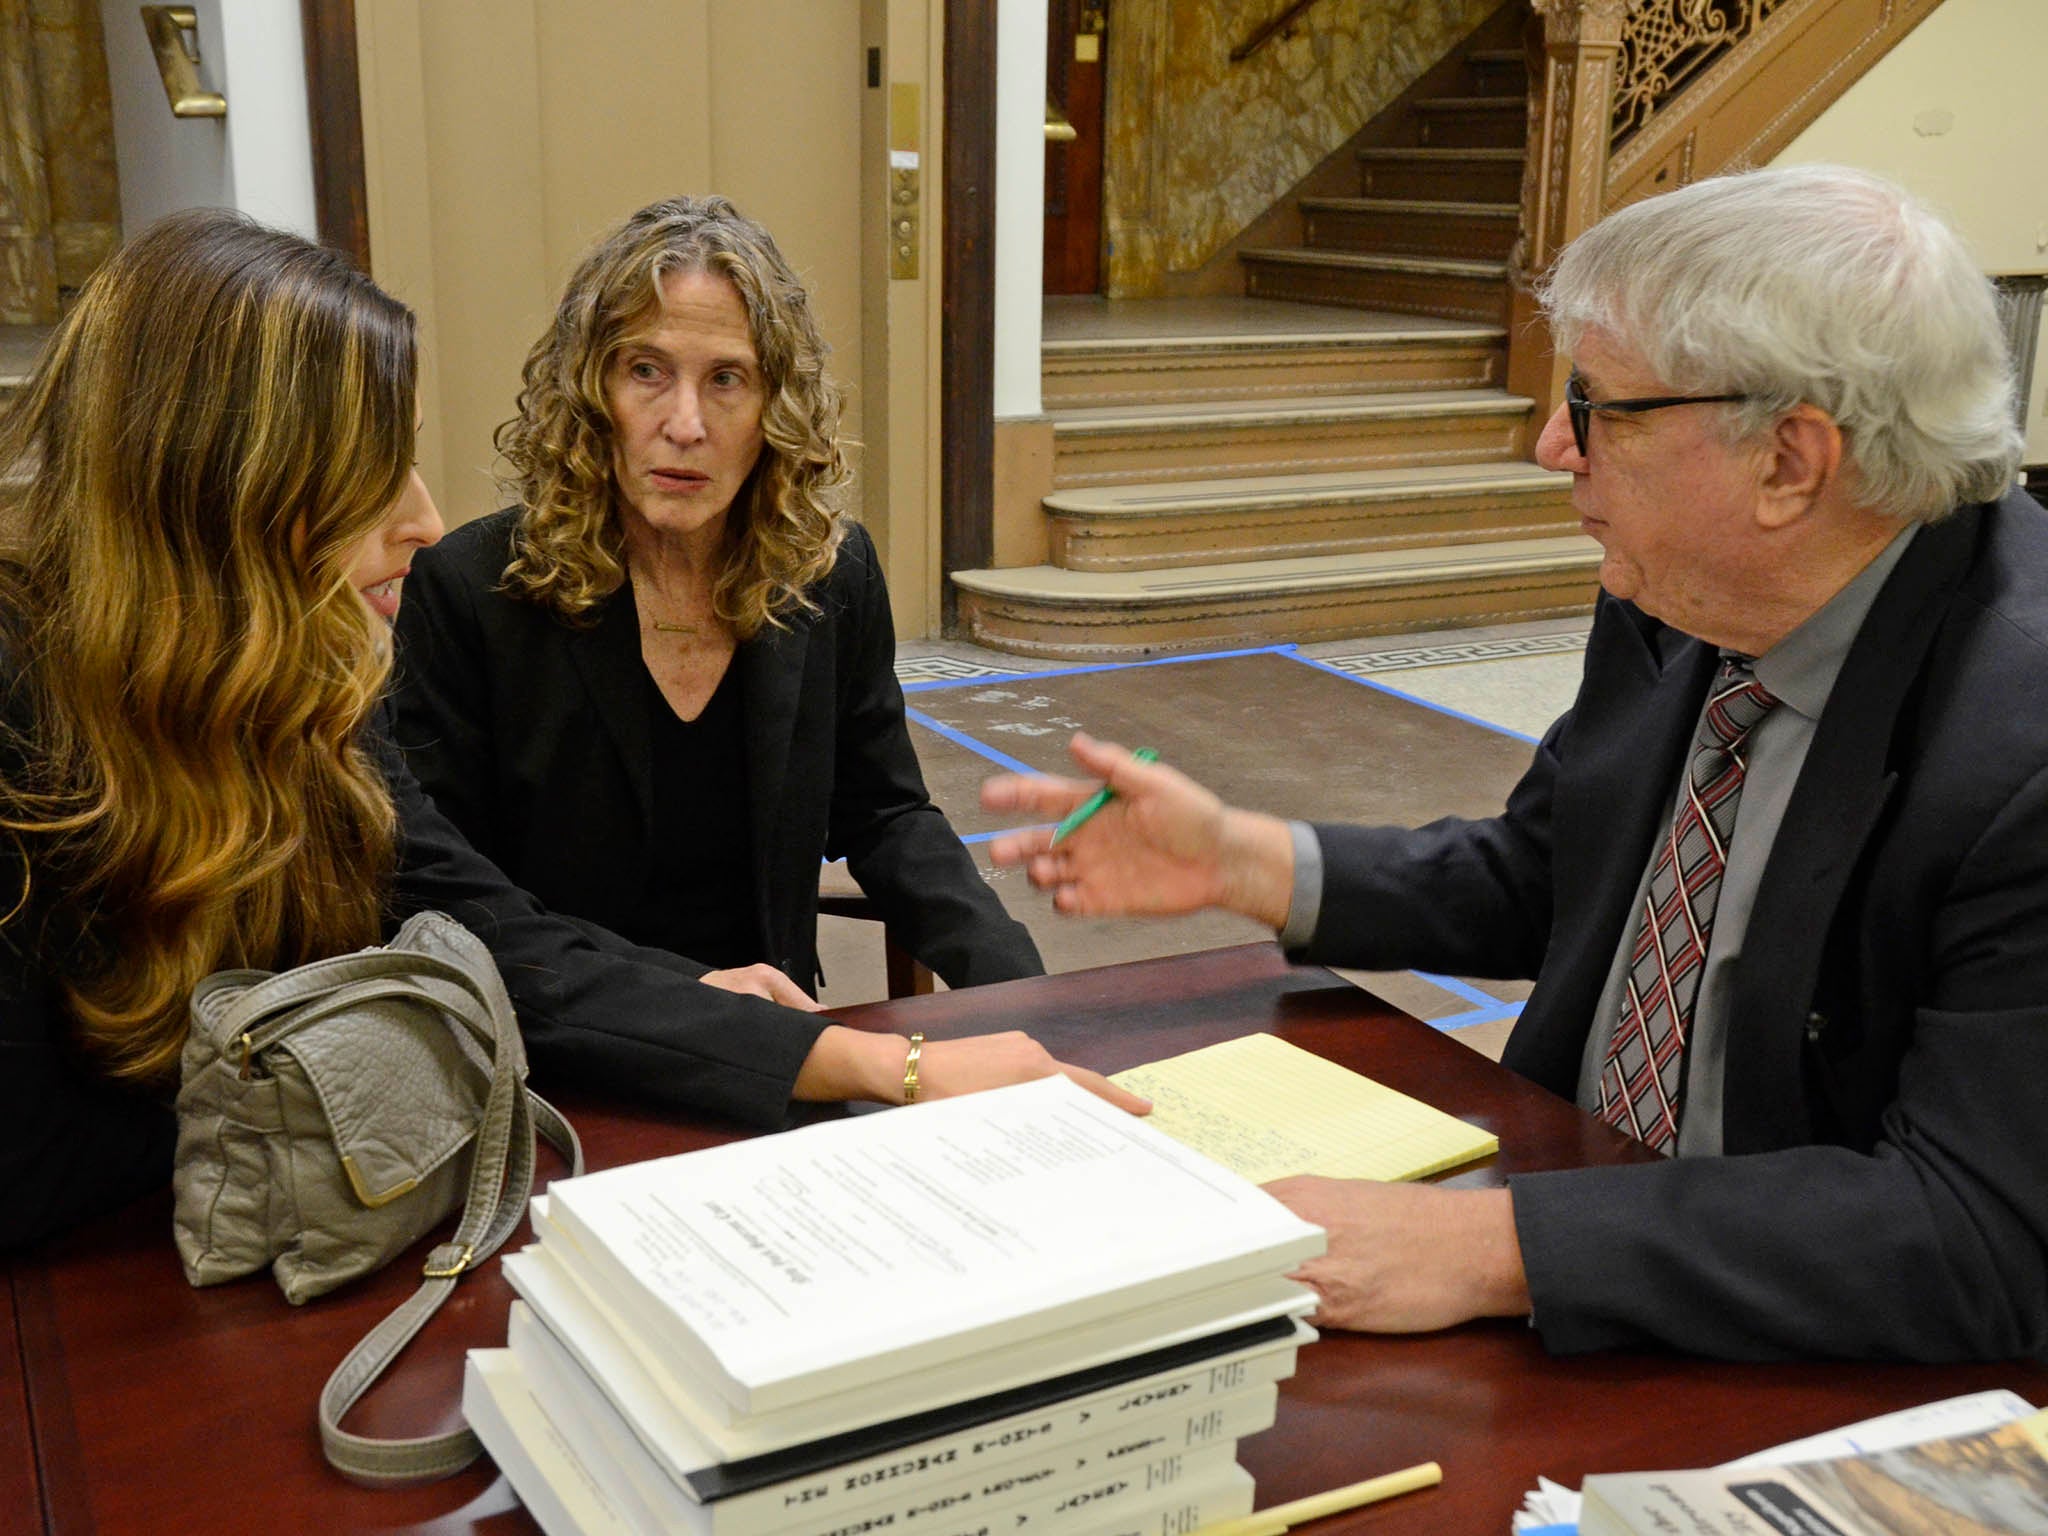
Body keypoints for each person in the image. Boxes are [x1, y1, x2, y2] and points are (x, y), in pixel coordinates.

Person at [983, 164, 2048, 1363]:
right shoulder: (1684, 593)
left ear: (1787, 462)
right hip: (1572, 1196)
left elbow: (1977, 1234)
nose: (1552, 446)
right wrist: (1248, 860)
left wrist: (1493, 1251)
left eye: (1596, 406)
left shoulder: (2019, 754)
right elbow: (1552, 876)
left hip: (1797, 1351)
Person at [0, 210, 1137, 1251]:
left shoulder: (291, 690)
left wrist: (983, 1018)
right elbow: (466, 937)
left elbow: (474, 918)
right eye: (646, 372)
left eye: (727, 381)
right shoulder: (447, 596)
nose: (421, 518)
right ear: (211, 484)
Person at [390, 196, 1038, 1000]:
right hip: (559, 1041)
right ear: (591, 391)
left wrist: (1025, 991)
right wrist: (693, 996)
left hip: (781, 1038)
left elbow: (885, 814)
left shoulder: (830, 575)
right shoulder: (472, 590)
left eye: (726, 379)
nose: (685, 424)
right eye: (646, 372)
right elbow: (455, 905)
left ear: (777, 411)